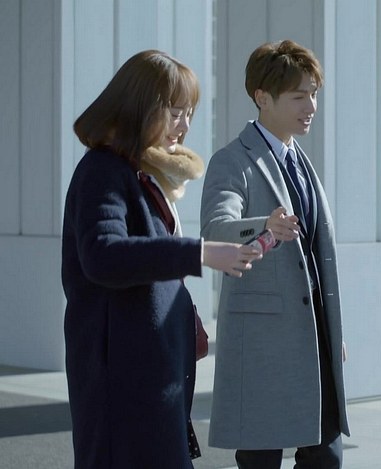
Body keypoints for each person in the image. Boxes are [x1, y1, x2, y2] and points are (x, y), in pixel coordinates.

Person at [62, 49, 262, 469]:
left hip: (148, 377)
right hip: (122, 381)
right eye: (175, 113)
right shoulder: (103, 169)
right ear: (140, 108)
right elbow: (103, 256)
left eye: (189, 114)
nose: (184, 126)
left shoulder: (137, 171)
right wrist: (200, 253)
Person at [200, 40, 349, 469]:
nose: (311, 106)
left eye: (314, 94)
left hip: (314, 337)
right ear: (262, 97)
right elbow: (214, 229)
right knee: (261, 459)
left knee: (325, 457)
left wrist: (332, 331)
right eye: (299, 96)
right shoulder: (232, 161)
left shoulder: (301, 161)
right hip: (262, 344)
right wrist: (263, 225)